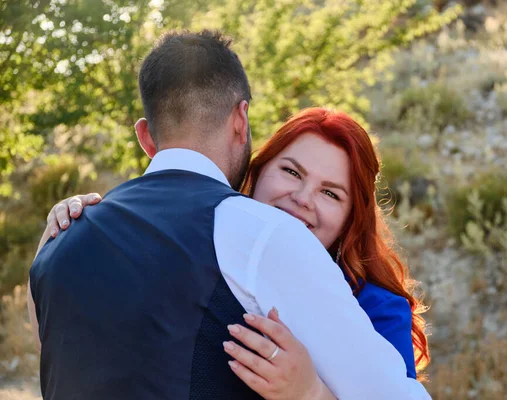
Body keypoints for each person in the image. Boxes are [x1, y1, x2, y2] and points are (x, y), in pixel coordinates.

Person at [28, 30, 431, 400]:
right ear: (242, 122)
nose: (303, 199)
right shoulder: (263, 236)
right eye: (291, 171)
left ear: (147, 137)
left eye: (330, 192)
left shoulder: (59, 244)